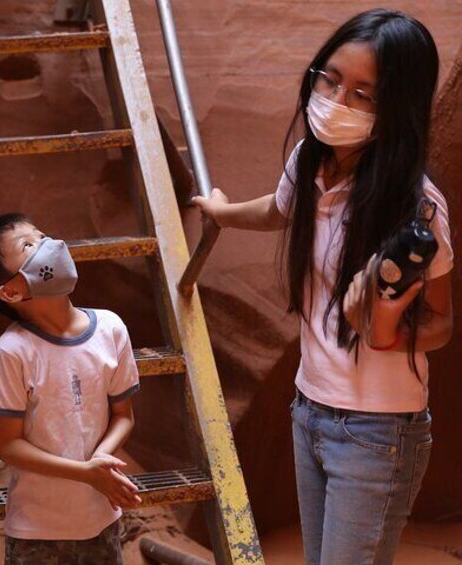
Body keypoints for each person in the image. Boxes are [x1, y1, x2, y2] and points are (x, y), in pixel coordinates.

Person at [193, 9, 453, 564]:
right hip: (309, 408)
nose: (337, 101)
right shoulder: (313, 161)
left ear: (398, 108)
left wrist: (384, 328)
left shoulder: (417, 210)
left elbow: (440, 323)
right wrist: (220, 211)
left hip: (378, 431)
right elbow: (279, 208)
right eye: (330, 79)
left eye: (365, 94)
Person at [0, 213, 142, 564]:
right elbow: (9, 445)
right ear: (12, 291)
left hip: (100, 518)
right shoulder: (13, 351)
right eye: (28, 245)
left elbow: (124, 415)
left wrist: (100, 459)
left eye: (42, 235)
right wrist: (86, 473)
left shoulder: (111, 328)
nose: (49, 246)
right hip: (36, 529)